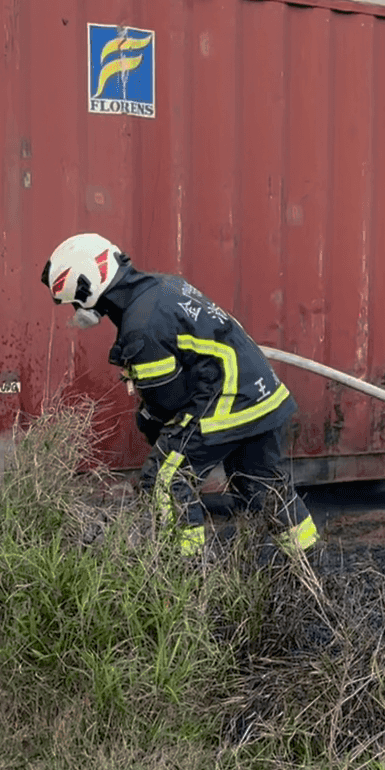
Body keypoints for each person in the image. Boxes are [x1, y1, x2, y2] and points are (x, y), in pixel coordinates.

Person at [40, 232, 318, 556]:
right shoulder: (162, 287)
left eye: (74, 301)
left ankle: (183, 577)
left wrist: (150, 420)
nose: (75, 308)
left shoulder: (141, 326)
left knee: (166, 480)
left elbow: (168, 401)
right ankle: (307, 566)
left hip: (228, 398)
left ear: (87, 287)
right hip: (263, 397)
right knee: (263, 486)